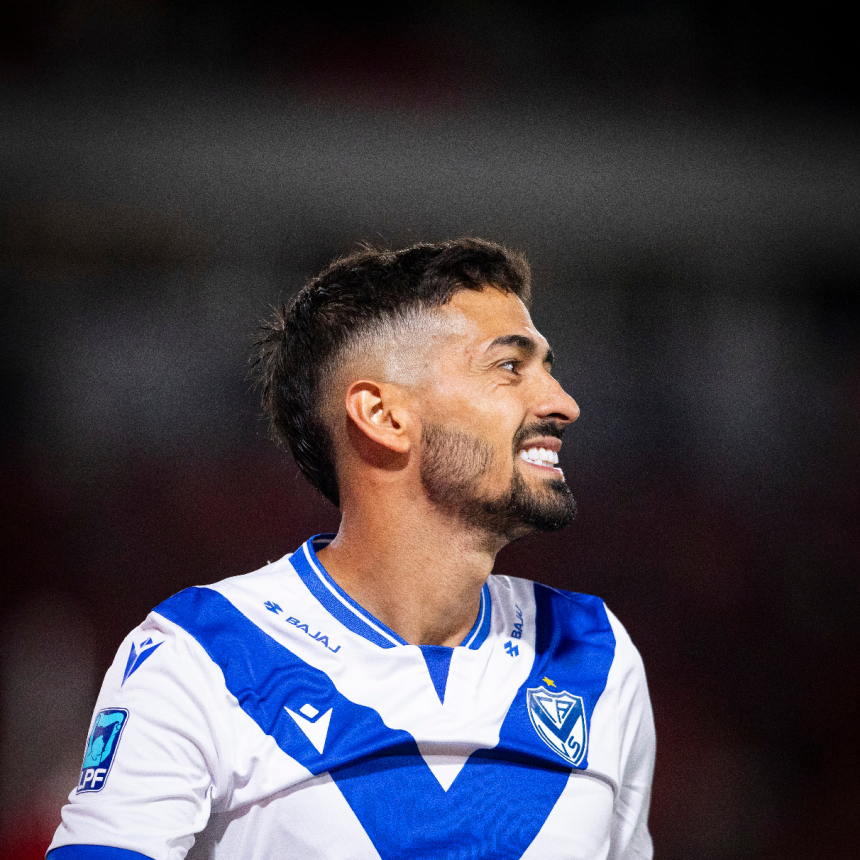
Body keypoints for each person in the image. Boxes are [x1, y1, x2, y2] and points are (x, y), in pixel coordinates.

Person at [48, 238, 655, 859]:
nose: (563, 403)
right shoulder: (203, 655)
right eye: (509, 366)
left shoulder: (596, 653)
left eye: (547, 368)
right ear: (384, 415)